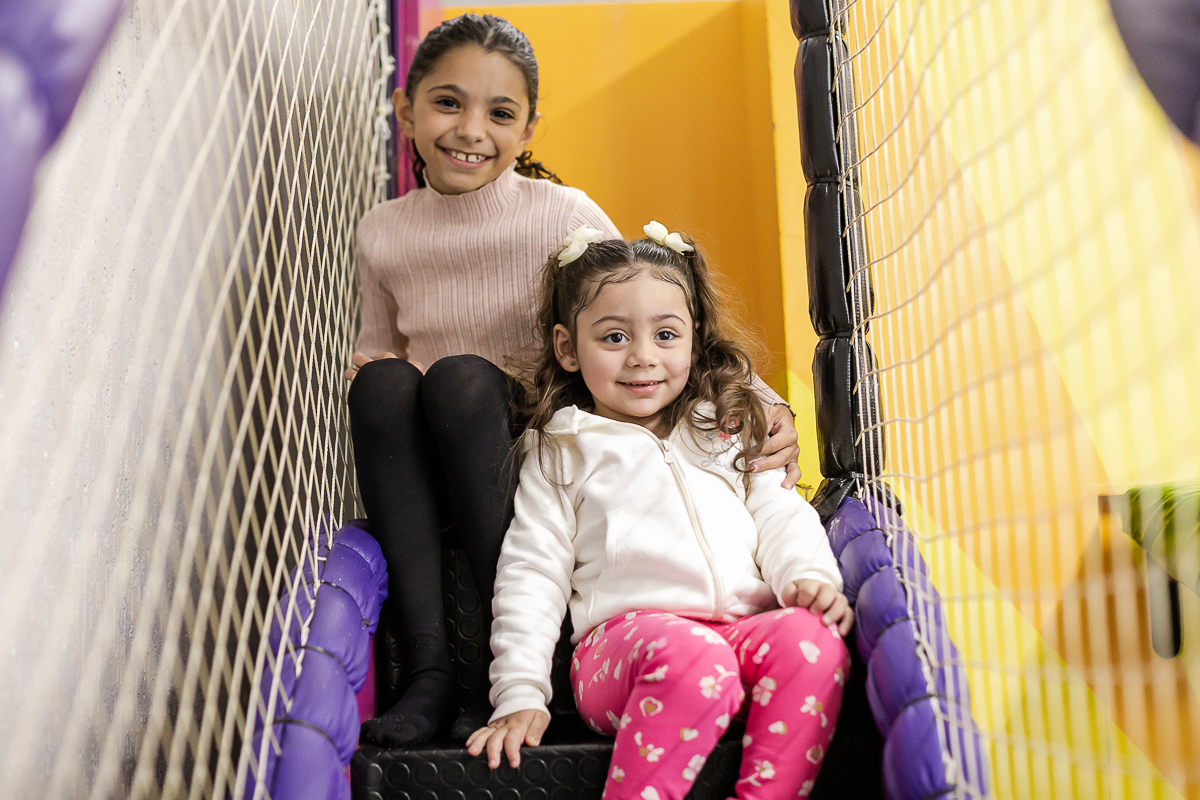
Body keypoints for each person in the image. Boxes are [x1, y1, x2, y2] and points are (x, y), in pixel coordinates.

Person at [347, 13, 803, 747]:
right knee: (382, 385)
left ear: (529, 130)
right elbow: (379, 349)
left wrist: (764, 404)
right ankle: (431, 670)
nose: (470, 130)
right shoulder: (382, 229)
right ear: (406, 109)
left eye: (500, 113)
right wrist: (371, 373)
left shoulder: (562, 215)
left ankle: (516, 665)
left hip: (537, 455)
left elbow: (648, 307)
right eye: (447, 103)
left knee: (462, 380)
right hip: (439, 461)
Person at [467, 225, 851, 800]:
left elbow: (780, 513)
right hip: (623, 649)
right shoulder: (563, 448)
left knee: (813, 644)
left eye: (666, 334)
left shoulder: (723, 424)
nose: (643, 357)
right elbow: (532, 570)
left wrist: (809, 578)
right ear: (568, 348)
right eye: (614, 337)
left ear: (696, 341)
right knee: (694, 659)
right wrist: (520, 692)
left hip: (742, 632)